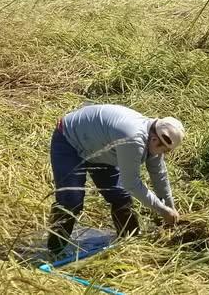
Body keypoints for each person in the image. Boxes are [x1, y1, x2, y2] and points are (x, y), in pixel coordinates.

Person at [47, 103, 184, 255]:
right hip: (69, 141)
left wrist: (171, 207)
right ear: (154, 139)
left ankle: (130, 243)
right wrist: (162, 210)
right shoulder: (133, 138)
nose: (162, 154)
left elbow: (159, 174)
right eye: (164, 150)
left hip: (99, 146)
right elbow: (131, 183)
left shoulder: (155, 138)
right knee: (71, 201)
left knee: (120, 196)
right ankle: (54, 251)